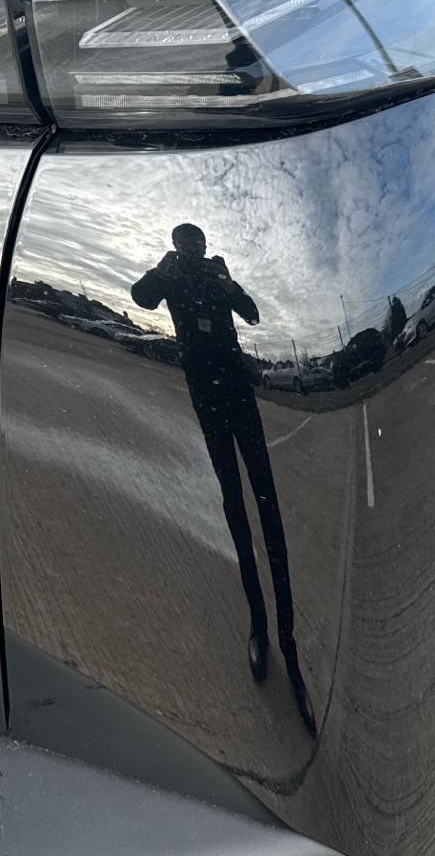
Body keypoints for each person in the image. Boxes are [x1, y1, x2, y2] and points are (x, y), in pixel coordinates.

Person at [131, 223, 315, 735]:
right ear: (175, 246)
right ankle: (259, 625)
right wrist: (160, 271)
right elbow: (141, 298)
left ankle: (289, 645)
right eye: (183, 243)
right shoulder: (170, 276)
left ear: (207, 246)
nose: (192, 249)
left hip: (238, 393)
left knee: (267, 505)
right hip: (206, 400)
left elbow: (252, 315)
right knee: (235, 508)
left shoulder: (217, 277)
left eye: (197, 242)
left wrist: (230, 284)